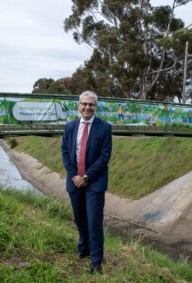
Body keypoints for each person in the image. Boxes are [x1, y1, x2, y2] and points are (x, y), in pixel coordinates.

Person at [61, 91, 112, 275]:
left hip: (94, 182)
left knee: (94, 221)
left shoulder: (105, 128)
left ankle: (96, 259)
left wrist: (86, 177)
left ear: (95, 107)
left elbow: (104, 157)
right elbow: (66, 154)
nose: (87, 107)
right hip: (74, 181)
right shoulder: (70, 127)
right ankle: (84, 248)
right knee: (80, 218)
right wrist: (75, 176)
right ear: (78, 106)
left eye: (91, 104)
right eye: (84, 104)